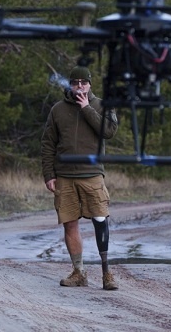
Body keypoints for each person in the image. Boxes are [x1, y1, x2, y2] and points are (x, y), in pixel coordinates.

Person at [41, 66, 119, 290]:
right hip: (64, 176)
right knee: (70, 224)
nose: (79, 86)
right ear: (70, 85)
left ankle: (106, 273)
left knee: (100, 220)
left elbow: (109, 131)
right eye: (75, 82)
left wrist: (86, 108)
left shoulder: (101, 105)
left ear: (90, 84)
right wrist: (49, 174)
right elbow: (48, 144)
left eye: (83, 82)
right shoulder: (58, 109)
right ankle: (79, 272)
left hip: (92, 174)